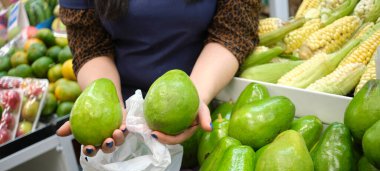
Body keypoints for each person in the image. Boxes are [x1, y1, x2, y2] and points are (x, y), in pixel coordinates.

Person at [56, 0, 260, 157]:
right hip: (124, 122)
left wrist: (195, 97)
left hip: (208, 109)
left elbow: (233, 31)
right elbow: (90, 45)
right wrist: (103, 104)